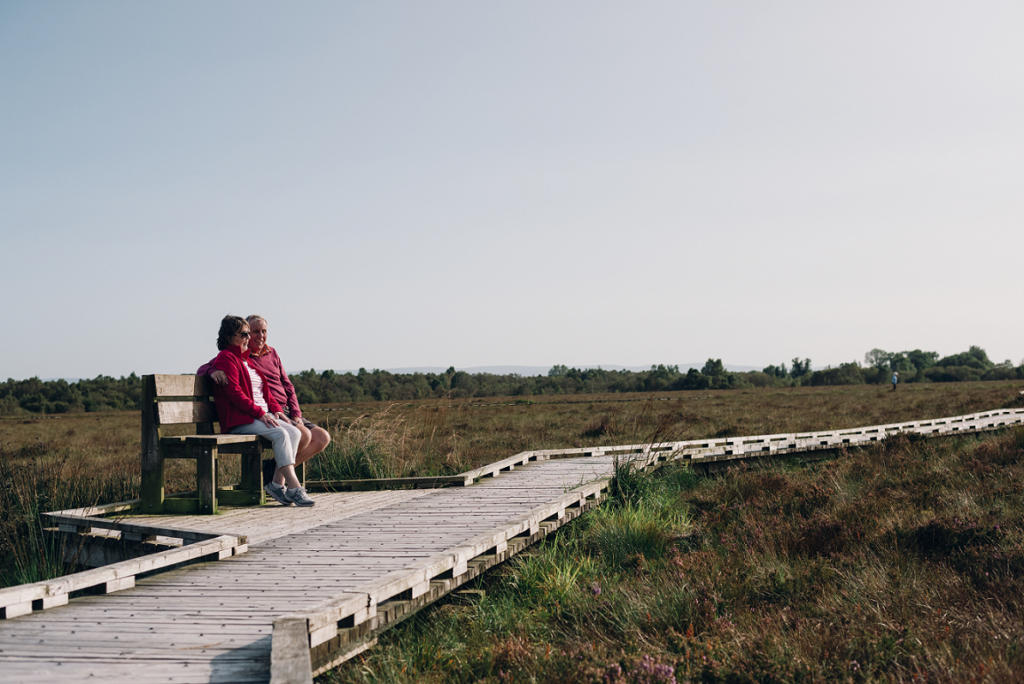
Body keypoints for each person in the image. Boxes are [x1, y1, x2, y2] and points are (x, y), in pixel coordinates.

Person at [199, 315, 331, 485]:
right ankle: (280, 481)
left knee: (322, 437)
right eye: (253, 332)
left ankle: (272, 471)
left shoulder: (272, 352)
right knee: (303, 435)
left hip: (283, 409)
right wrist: (211, 371)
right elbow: (206, 367)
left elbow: (288, 385)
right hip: (266, 410)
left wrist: (296, 413)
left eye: (264, 331)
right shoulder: (241, 356)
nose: (259, 336)